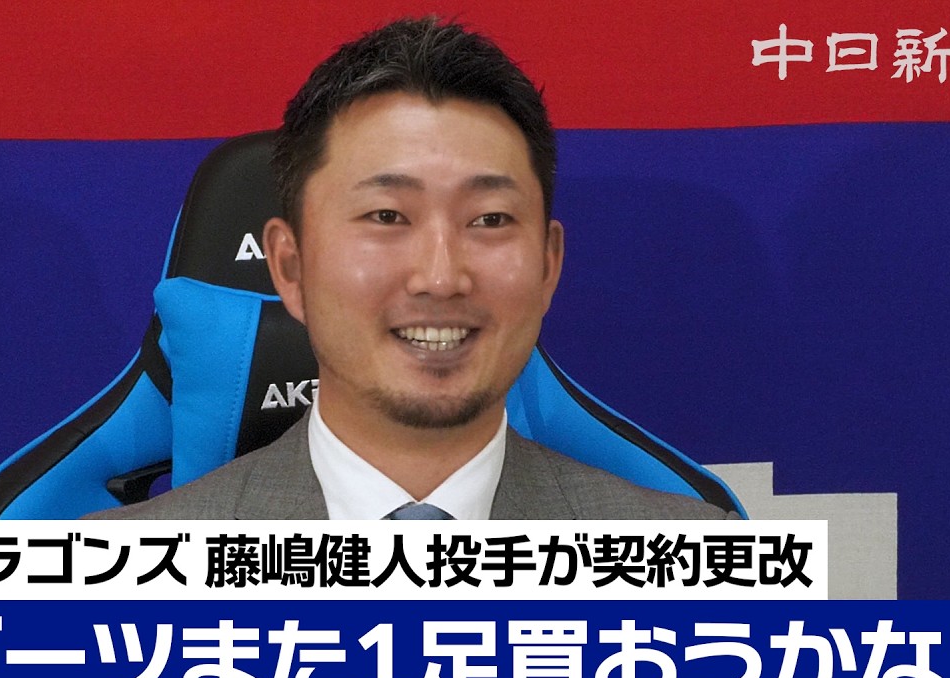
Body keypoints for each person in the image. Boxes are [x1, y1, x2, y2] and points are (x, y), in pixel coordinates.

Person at [89, 17, 738, 521]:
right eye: (387, 216)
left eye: (489, 219)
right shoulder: (115, 585)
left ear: (547, 266)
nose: (440, 277)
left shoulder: (699, 573)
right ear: (290, 267)